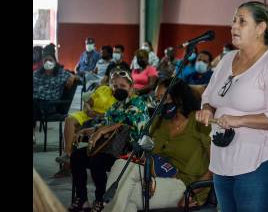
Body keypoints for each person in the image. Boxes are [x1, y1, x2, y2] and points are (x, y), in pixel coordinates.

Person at [195, 1, 268, 211]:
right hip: (224, 158)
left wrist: (240, 120)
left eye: (242, 21)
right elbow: (210, 97)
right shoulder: (227, 59)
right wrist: (207, 109)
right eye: (234, 20)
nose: (234, 26)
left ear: (261, 28)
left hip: (262, 162)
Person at [104, 78, 212, 211]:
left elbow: (216, 167)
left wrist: (193, 192)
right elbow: (145, 153)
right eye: (157, 99)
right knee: (120, 165)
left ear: (179, 97)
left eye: (164, 97)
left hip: (186, 185)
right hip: (155, 174)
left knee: (126, 193)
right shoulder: (158, 120)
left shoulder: (199, 121)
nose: (160, 103)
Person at [69, 69, 149, 212]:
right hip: (109, 147)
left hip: (129, 150)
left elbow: (127, 124)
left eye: (122, 86)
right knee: (77, 157)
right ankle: (82, 199)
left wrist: (103, 130)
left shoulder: (139, 103)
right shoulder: (114, 106)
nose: (118, 89)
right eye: (115, 86)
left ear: (131, 87)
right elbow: (104, 125)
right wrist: (88, 130)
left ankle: (102, 199)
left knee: (97, 161)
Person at [55, 73, 118, 168]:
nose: (114, 84)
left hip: (102, 119)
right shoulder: (103, 89)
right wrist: (88, 109)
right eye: (112, 81)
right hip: (88, 114)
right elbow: (88, 102)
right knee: (69, 120)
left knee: (73, 132)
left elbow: (114, 114)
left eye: (117, 83)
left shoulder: (120, 96)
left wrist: (99, 115)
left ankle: (67, 166)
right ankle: (67, 153)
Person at [33, 47, 77, 143]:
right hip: (37, 104)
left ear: (55, 61)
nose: (48, 62)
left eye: (50, 60)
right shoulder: (37, 74)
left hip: (51, 106)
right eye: (45, 60)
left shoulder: (61, 73)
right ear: (42, 62)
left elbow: (77, 78)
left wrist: (72, 77)